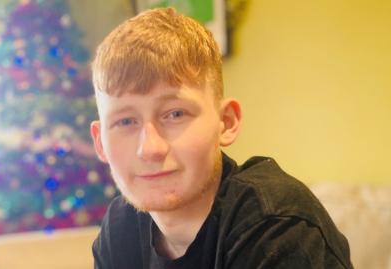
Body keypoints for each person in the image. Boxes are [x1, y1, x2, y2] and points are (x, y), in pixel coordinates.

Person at [89, 7, 353, 269]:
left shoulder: (275, 225)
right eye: (125, 121)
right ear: (100, 142)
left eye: (175, 114)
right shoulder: (121, 229)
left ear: (226, 122)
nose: (150, 148)